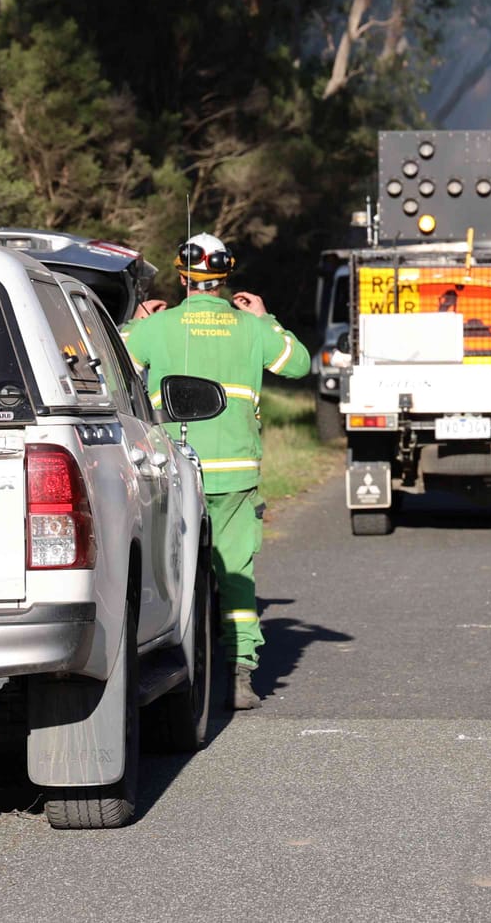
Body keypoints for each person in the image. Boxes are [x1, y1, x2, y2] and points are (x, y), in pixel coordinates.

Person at [122, 232, 310, 710]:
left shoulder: (155, 327)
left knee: (172, 570)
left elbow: (105, 366)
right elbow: (299, 364)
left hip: (173, 472)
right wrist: (265, 317)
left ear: (183, 276)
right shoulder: (251, 328)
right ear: (226, 278)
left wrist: (135, 321)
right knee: (236, 572)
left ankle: (173, 664)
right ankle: (242, 674)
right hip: (235, 475)